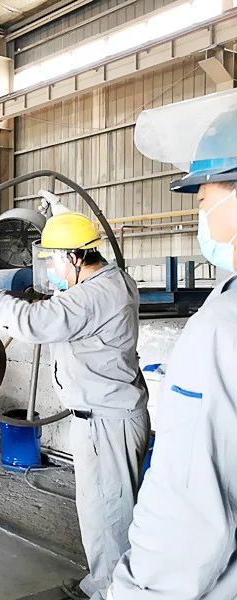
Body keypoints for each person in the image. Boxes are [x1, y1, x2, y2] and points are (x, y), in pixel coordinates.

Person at [0, 210, 149, 600]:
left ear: (75, 257)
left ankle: (115, 592)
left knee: (111, 515)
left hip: (106, 422)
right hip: (103, 418)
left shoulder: (97, 294)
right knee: (99, 513)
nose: (49, 269)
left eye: (53, 259)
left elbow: (32, 323)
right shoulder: (109, 281)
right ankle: (101, 583)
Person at [106, 92, 237, 598]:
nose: (201, 211)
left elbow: (189, 507)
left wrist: (136, 590)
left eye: (204, 199)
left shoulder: (222, 326)